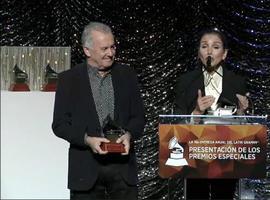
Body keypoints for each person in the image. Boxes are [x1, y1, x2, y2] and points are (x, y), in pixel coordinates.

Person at [52, 22, 145, 200]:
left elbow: (139, 117)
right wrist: (87, 139)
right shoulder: (68, 80)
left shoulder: (128, 75)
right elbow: (59, 125)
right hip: (86, 170)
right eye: (104, 48)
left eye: (112, 47)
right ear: (87, 50)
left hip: (122, 170)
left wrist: (129, 135)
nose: (110, 53)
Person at [174, 28, 249, 199]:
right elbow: (176, 121)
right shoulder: (186, 81)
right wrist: (196, 112)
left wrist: (242, 111)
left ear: (224, 54)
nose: (209, 51)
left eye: (215, 47)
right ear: (198, 53)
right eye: (204, 46)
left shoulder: (237, 82)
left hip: (226, 154)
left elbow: (245, 126)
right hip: (196, 153)